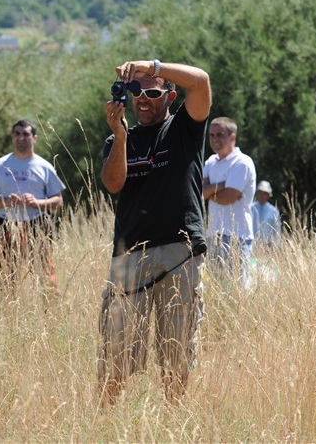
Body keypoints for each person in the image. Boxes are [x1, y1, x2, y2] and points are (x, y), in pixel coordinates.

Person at [99, 58, 211, 405]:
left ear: (170, 96)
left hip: (178, 251)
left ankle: (173, 423)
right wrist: (120, 136)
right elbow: (113, 183)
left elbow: (202, 81)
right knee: (115, 353)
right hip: (129, 256)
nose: (142, 98)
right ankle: (105, 426)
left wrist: (153, 66)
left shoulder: (184, 128)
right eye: (136, 91)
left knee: (175, 352)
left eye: (151, 91)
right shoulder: (118, 139)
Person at [0, 119, 66, 297]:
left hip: (38, 223)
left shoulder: (44, 166)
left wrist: (36, 203)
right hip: (7, 224)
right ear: (12, 138)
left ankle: (51, 310)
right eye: (17, 134)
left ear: (35, 138)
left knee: (44, 272)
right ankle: (5, 312)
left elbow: (58, 202)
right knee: (5, 274)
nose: (21, 138)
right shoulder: (0, 165)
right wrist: (5, 202)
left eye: (26, 134)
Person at [202, 117, 256, 288]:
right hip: (213, 235)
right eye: (212, 135)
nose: (215, 139)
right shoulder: (210, 162)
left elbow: (228, 198)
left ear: (232, 137)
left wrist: (211, 190)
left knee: (236, 288)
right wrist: (223, 185)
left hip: (236, 236)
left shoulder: (242, 162)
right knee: (217, 288)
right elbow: (200, 193)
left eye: (220, 135)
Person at [251, 180, 281, 247]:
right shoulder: (250, 208)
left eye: (264, 193)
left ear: (268, 195)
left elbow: (277, 230)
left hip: (267, 246)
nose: (262, 195)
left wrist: (276, 246)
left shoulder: (274, 211)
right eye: (260, 192)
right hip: (251, 245)